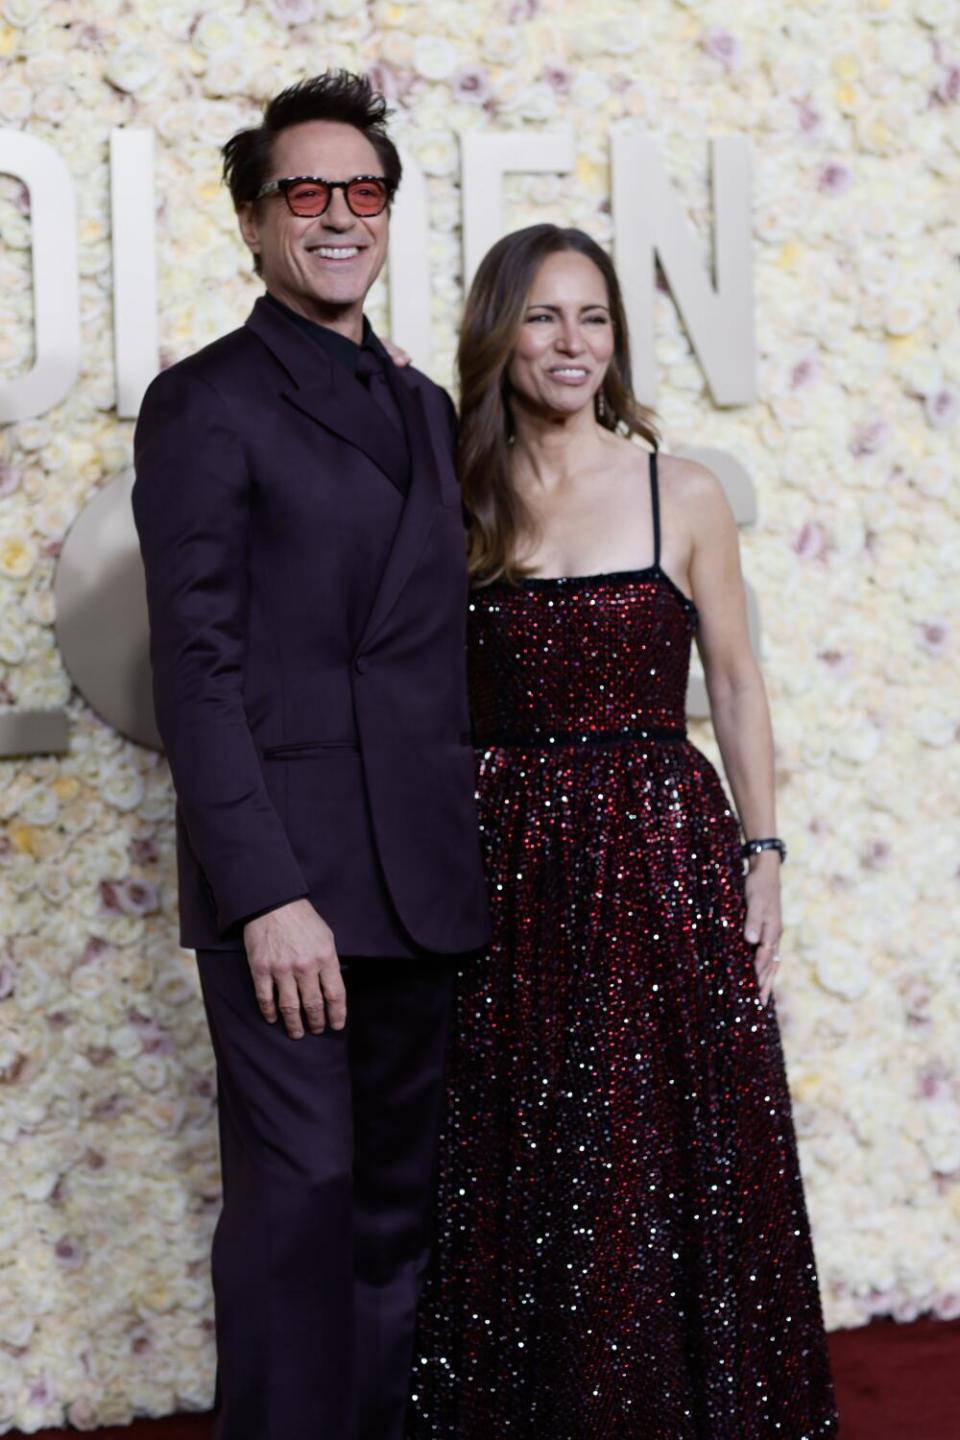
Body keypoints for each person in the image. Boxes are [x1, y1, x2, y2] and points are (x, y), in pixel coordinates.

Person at [407, 225, 838, 1438]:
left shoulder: (679, 488)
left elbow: (739, 683)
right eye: (544, 317)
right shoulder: (451, 491)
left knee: (661, 1141)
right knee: (527, 1151)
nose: (571, 342)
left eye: (592, 317)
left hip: (662, 850)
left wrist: (764, 856)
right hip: (508, 860)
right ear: (501, 333)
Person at [131, 72, 488, 1440]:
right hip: (292, 889)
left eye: (365, 192)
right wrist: (267, 893)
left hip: (420, 877)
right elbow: (197, 670)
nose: (338, 217)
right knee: (302, 1206)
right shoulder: (204, 404)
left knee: (396, 1215)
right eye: (305, 193)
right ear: (251, 220)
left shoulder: (417, 403)